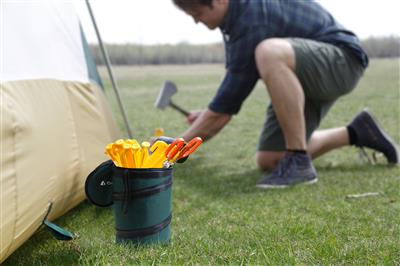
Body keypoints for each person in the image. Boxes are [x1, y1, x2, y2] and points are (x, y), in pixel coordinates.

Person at [172, 0, 399, 188]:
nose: (196, 20)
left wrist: (176, 148)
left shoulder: (250, 16)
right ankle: (357, 132)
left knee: (269, 52)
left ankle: (298, 161)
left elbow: (223, 111)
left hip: (343, 61)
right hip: (306, 73)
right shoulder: (234, 19)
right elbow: (234, 87)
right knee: (270, 158)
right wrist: (204, 117)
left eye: (197, 13)